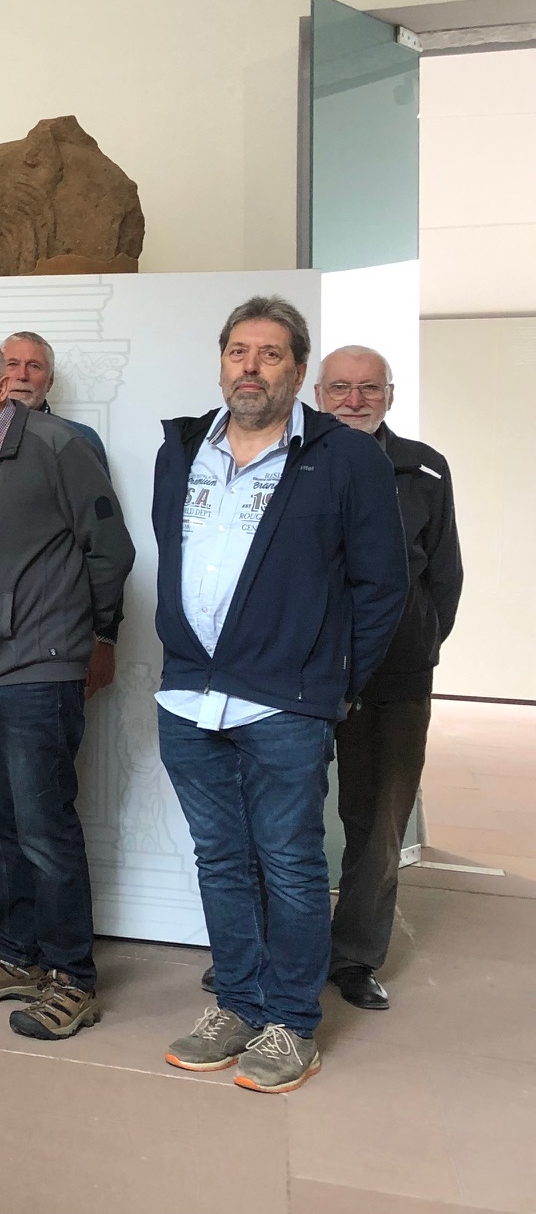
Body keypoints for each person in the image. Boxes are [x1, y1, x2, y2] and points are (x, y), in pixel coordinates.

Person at [155, 300, 406, 1093]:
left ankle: (291, 1021)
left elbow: (383, 585)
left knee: (293, 865)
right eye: (238, 351)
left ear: (298, 370)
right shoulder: (182, 447)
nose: (250, 367)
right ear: (221, 361)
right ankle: (236, 1003)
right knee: (220, 859)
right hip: (189, 697)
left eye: (269, 354)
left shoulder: (342, 457)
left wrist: (330, 682)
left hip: (286, 704)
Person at [0, 334, 133, 1041]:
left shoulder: (55, 446)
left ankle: (71, 975)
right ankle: (15, 950)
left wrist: (89, 638)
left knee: (45, 828)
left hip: (37, 673)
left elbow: (112, 552)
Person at [316, 344, 461, 1011]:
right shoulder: (292, 464)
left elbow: (445, 576)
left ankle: (354, 958)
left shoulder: (425, 469)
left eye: (368, 388)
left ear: (390, 395)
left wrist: (419, 642)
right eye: (341, 387)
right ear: (318, 395)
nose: (354, 399)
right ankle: (276, 947)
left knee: (378, 824)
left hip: (396, 679)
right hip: (305, 676)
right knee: (283, 818)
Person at [2, 331, 108, 469]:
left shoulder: (77, 438)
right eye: (12, 364)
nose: (22, 375)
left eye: (34, 366)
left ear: (50, 381)